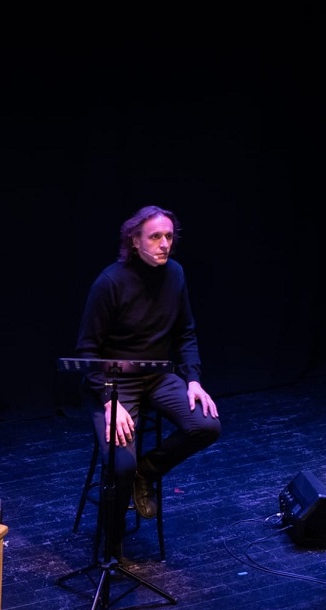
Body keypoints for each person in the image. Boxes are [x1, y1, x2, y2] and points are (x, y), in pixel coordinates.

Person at [75, 205, 221, 553]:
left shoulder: (176, 275)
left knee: (207, 425)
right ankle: (112, 549)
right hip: (113, 381)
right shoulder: (110, 282)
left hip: (157, 376)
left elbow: (185, 333)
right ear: (135, 240)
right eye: (155, 236)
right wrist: (109, 400)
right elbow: (87, 351)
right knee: (120, 464)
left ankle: (147, 471)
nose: (164, 244)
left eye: (169, 236)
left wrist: (193, 380)